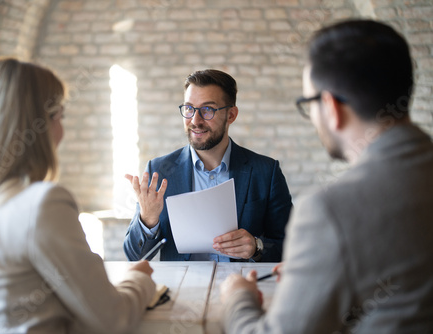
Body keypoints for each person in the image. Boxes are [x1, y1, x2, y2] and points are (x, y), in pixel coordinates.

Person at [220, 19, 433, 333]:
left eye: (308, 103)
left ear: (331, 106)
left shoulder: (328, 210)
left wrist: (239, 299)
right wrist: (321, 270)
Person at [0, 57, 156, 334]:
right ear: (35, 127)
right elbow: (112, 320)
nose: (61, 130)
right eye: (58, 116)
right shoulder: (41, 204)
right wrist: (139, 280)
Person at [124, 69, 292, 262]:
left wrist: (257, 246)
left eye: (207, 110)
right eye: (189, 108)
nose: (195, 121)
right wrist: (148, 220)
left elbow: (292, 246)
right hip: (182, 290)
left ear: (231, 115)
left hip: (242, 287)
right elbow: (134, 256)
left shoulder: (266, 172)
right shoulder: (159, 172)